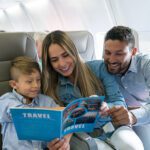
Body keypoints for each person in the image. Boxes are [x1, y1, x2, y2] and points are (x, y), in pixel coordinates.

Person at [41, 30, 143, 150]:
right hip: (84, 136)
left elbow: (119, 102)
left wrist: (106, 107)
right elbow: (54, 124)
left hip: (113, 126)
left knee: (131, 147)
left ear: (73, 52)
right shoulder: (52, 86)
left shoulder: (99, 68)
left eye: (65, 55)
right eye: (54, 60)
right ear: (49, 63)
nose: (62, 63)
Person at [0, 56, 70, 150]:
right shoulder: (6, 100)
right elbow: (19, 113)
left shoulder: (46, 101)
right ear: (14, 84)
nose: (36, 85)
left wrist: (63, 141)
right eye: (29, 81)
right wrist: (47, 113)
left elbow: (65, 118)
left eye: (38, 80)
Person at [103, 25, 150, 149]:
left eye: (119, 54)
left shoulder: (146, 65)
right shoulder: (101, 69)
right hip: (118, 120)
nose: (111, 59)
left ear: (133, 52)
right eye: (107, 53)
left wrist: (132, 115)